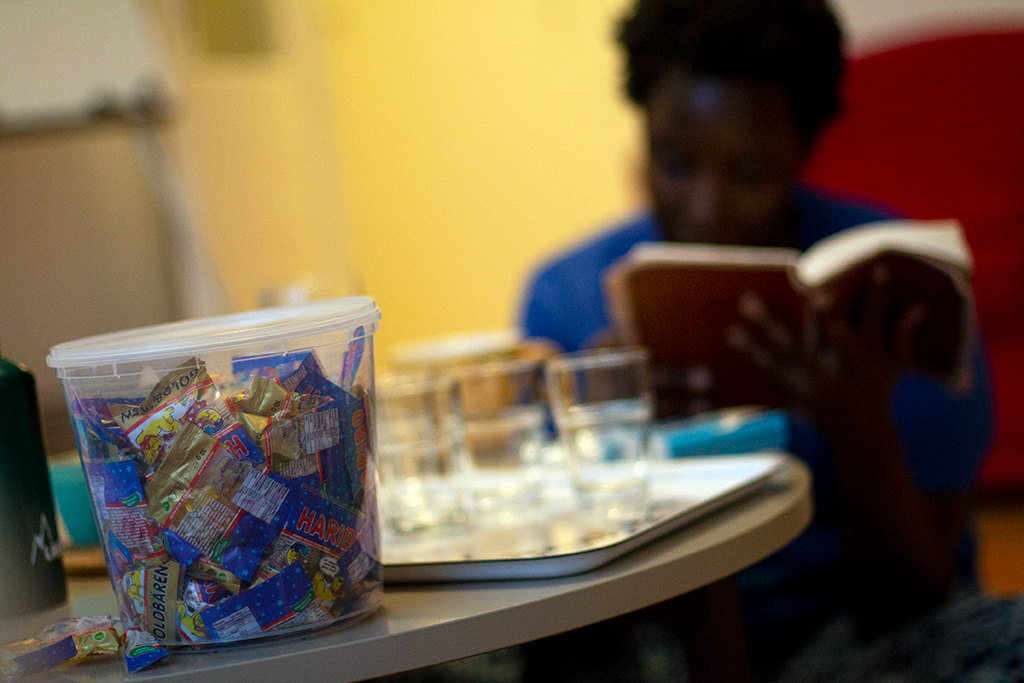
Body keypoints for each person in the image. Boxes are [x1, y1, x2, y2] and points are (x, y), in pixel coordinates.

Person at [518, 0, 995, 679]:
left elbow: (914, 604)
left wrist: (859, 426)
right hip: (659, 643)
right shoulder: (566, 298)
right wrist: (606, 437)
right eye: (674, 162)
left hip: (848, 636)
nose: (705, 209)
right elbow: (566, 623)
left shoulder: (893, 287)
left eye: (748, 175)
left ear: (802, 151)